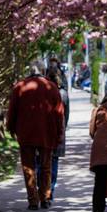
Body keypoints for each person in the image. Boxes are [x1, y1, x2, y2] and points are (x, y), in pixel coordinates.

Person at [7, 60, 64, 210]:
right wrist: (59, 133)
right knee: (46, 166)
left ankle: (33, 200)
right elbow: (59, 113)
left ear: (30, 71)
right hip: (47, 132)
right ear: (43, 71)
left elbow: (12, 111)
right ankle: (45, 198)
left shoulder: (20, 87)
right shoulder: (51, 87)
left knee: (28, 166)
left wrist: (11, 129)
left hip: (26, 132)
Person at [45, 67, 69, 199]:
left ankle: (42, 189)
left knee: (41, 161)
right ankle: (50, 190)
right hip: (58, 130)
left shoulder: (43, 91)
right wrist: (63, 127)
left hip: (43, 130)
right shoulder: (63, 93)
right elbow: (67, 113)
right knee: (53, 161)